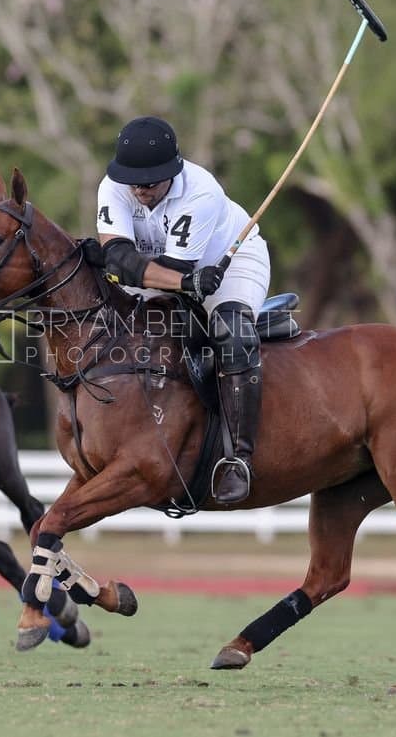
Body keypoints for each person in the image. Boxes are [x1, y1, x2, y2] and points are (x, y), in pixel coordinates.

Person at [95, 116, 270, 504]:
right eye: (133, 182)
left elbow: (173, 270)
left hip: (230, 266)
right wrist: (180, 282)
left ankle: (238, 459)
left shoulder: (201, 192)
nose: (139, 190)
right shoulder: (113, 187)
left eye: (149, 182)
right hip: (172, 274)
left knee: (232, 334)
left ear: (172, 172)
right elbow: (119, 258)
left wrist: (183, 282)